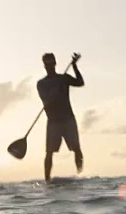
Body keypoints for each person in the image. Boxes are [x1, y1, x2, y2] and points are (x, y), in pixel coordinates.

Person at [36, 52, 84, 183]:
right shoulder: (41, 83)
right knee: (49, 152)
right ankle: (47, 180)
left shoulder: (63, 78)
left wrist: (74, 66)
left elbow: (80, 82)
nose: (50, 66)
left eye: (52, 63)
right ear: (44, 66)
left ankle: (80, 175)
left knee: (76, 149)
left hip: (68, 119)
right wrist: (54, 92)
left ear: (55, 63)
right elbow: (46, 99)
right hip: (53, 122)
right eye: (47, 64)